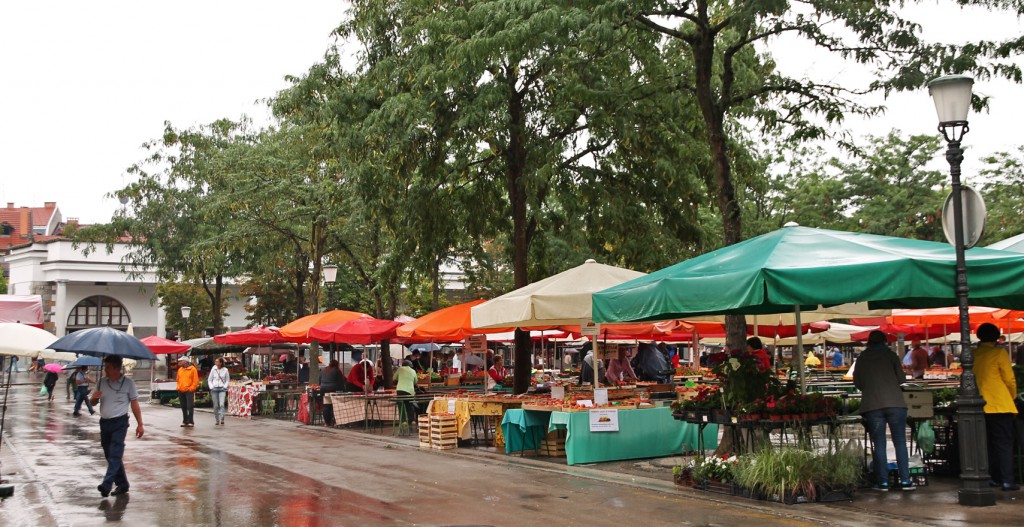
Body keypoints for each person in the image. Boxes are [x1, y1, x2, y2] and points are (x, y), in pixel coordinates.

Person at [853, 330, 914, 491]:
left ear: (869, 342)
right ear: (885, 341)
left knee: (879, 444)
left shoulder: (862, 358)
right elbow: (901, 379)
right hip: (895, 404)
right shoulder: (891, 355)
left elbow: (858, 382)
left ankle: (883, 482)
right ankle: (906, 481)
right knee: (900, 442)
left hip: (873, 405)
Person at [89, 355, 144, 497]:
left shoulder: (128, 383)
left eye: (108, 368)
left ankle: (107, 484)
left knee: (115, 454)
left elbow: (134, 404)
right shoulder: (101, 382)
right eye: (105, 367)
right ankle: (123, 483)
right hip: (105, 422)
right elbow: (92, 403)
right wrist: (94, 397)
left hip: (120, 422)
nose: (106, 370)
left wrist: (140, 424)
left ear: (117, 368)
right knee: (109, 454)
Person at [973, 323, 1020, 491]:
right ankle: (1007, 480)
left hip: (977, 405)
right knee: (1004, 443)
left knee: (986, 444)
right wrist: (1012, 396)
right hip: (1000, 403)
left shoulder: (972, 354)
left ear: (979, 337)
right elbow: (1009, 379)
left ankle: (991, 477)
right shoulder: (999, 353)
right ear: (996, 337)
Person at [394, 360, 419, 424]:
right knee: (410, 405)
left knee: (401, 405)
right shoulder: (413, 371)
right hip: (410, 390)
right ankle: (412, 420)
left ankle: (403, 420)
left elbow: (394, 378)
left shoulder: (399, 369)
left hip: (400, 390)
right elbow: (416, 382)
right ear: (410, 365)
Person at [176, 356, 198, 428]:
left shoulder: (193, 369)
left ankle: (191, 421)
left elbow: (195, 380)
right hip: (181, 389)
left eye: (181, 361)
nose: (180, 362)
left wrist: (191, 388)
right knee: (183, 406)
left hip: (189, 390)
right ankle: (185, 420)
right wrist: (179, 387)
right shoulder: (180, 369)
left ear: (185, 361)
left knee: (190, 406)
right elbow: (178, 379)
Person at [207, 356, 230, 426]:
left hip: (222, 389)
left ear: (221, 363)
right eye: (215, 361)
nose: (215, 362)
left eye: (217, 361)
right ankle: (217, 419)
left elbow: (227, 379)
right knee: (216, 405)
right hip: (214, 389)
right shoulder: (213, 369)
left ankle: (222, 418)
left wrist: (225, 386)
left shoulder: (225, 370)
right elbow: (209, 379)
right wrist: (211, 386)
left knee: (222, 404)